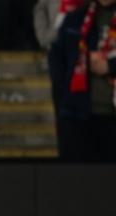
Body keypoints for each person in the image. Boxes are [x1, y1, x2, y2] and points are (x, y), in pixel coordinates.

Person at [49, 0, 116, 161]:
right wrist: (64, 107)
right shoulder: (75, 18)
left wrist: (110, 66)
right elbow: (57, 63)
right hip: (78, 117)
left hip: (111, 118)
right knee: (80, 181)